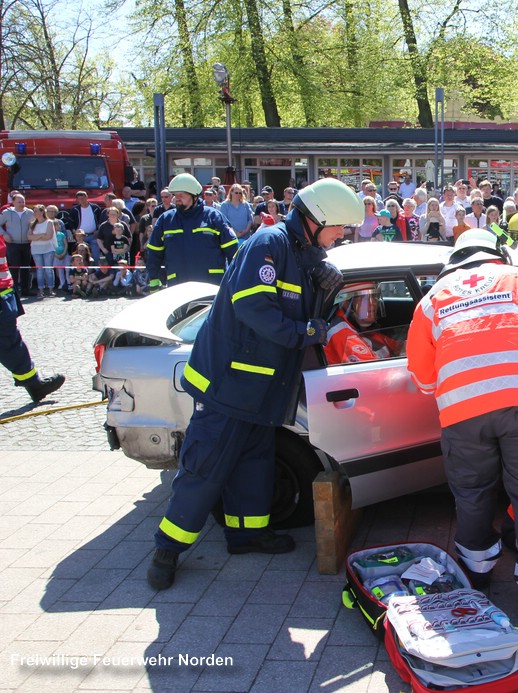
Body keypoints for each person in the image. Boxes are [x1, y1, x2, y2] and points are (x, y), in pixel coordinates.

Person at [147, 178, 363, 591]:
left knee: (254, 463)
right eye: (339, 228)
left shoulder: (303, 252)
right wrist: (308, 330)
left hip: (260, 390)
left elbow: (294, 300)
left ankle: (246, 535)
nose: (342, 236)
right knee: (205, 468)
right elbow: (253, 307)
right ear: (316, 219)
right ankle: (167, 549)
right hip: (229, 385)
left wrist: (323, 293)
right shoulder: (270, 244)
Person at [406, 229, 518, 623]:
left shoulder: (433, 298)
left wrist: (453, 385)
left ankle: (475, 573)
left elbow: (421, 373)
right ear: (497, 255)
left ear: (455, 262)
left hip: (462, 408)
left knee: (472, 492)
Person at [146, 174, 239, 289]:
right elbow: (154, 253)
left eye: (181, 195)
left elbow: (234, 253)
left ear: (194, 195)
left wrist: (236, 283)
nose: (177, 198)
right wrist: (154, 280)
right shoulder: (165, 220)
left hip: (211, 288)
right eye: (175, 195)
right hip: (178, 287)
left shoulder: (214, 217)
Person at [0, 235, 64, 401]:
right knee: (9, 343)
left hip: (4, 292)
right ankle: (34, 384)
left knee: (10, 342)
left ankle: (33, 384)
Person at [324, 281, 400, 364]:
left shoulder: (360, 327)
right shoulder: (345, 336)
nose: (374, 303)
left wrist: (403, 346)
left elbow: (392, 344)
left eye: (374, 297)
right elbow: (374, 372)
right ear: (347, 303)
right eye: (365, 298)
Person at [0, 194, 35, 297]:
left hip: (26, 244)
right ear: (13, 202)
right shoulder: (6, 213)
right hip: (12, 244)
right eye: (19, 202)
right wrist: (4, 234)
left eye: (23, 201)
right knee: (14, 268)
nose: (21, 204)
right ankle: (14, 290)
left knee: (26, 268)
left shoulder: (30, 213)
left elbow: (34, 225)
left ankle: (26, 290)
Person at [28, 205, 56, 297]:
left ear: (42, 212)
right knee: (39, 270)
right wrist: (41, 235)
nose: (35, 213)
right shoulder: (32, 223)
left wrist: (36, 237)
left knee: (48, 269)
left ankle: (51, 289)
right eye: (34, 211)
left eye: (36, 211)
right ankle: (41, 290)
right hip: (36, 249)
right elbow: (29, 237)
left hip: (48, 248)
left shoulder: (49, 222)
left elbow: (48, 236)